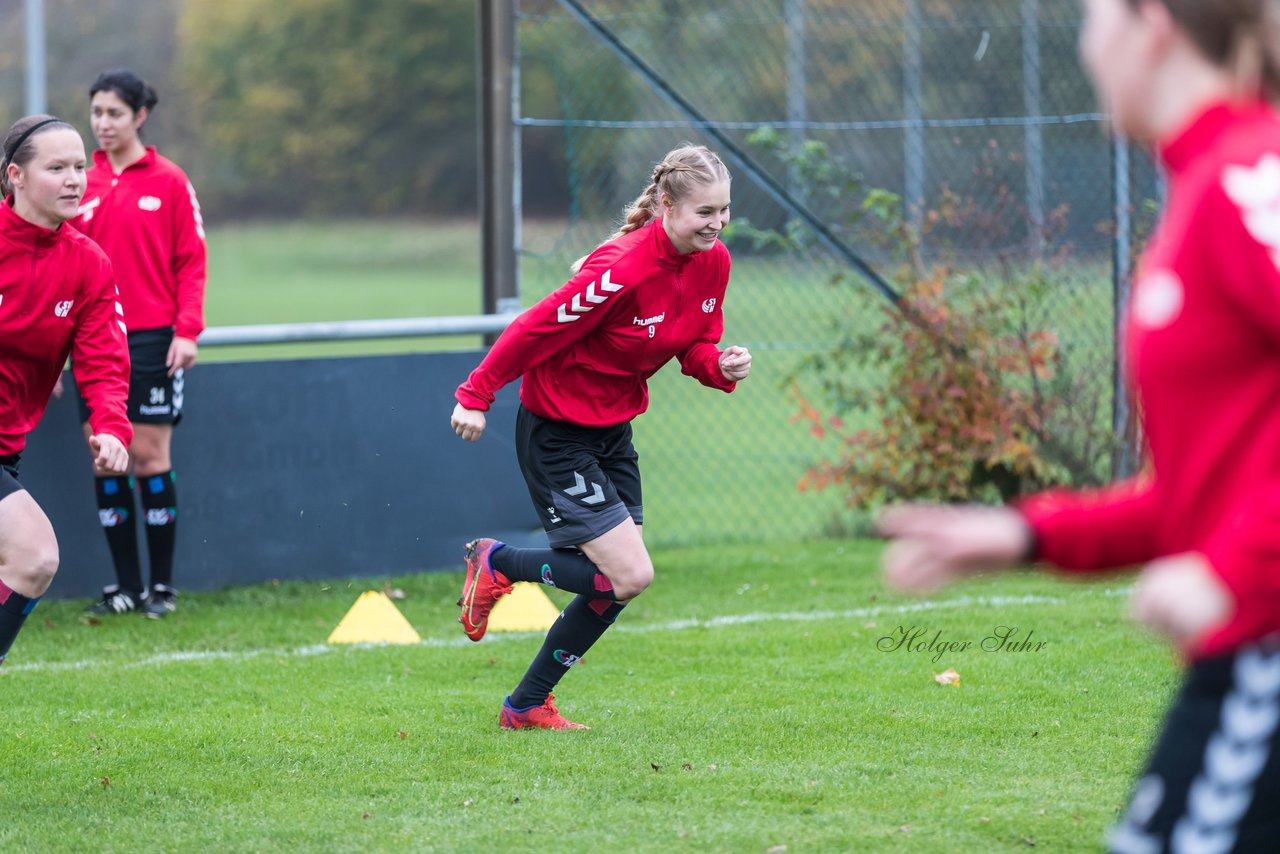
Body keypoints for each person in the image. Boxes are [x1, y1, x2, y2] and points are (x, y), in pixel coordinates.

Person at [879, 1, 1280, 849]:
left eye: (1093, 19)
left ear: (1153, 24)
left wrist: (1236, 571)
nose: (1087, 47)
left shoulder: (1251, 174)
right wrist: (1024, 534)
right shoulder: (1207, 183)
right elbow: (1202, 494)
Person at [450, 143, 752, 730]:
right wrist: (476, 394)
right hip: (557, 431)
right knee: (630, 575)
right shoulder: (620, 268)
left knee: (616, 585)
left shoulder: (714, 262)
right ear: (666, 204)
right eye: (704, 213)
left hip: (613, 430)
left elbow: (694, 344)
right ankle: (499, 561)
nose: (716, 224)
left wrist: (721, 366)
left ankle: (526, 705)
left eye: (724, 211)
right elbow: (535, 327)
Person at [72, 70, 207, 619]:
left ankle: (162, 589)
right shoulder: (78, 181)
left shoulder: (170, 180)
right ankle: (125, 588)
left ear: (139, 116)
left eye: (114, 114)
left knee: (149, 457)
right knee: (107, 461)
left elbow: (191, 260)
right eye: (96, 113)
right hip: (91, 340)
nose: (103, 124)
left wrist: (187, 330)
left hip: (153, 339)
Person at [0, 115, 132, 666]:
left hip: (8, 447)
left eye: (80, 166)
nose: (75, 179)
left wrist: (110, 425)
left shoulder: (87, 264)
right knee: (34, 555)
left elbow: (103, 360)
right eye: (57, 168)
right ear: (16, 176)